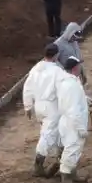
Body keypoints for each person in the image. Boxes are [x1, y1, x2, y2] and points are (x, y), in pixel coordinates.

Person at [21, 44, 64, 176]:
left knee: (55, 132)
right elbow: (65, 88)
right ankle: (38, 164)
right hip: (51, 106)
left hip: (39, 106)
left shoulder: (35, 69)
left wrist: (28, 106)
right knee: (48, 134)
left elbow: (27, 88)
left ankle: (60, 159)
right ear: (56, 55)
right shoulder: (57, 71)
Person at [54, 56, 92, 183]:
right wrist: (80, 128)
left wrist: (86, 100)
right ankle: (66, 181)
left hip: (68, 121)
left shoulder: (69, 82)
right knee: (71, 149)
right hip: (72, 123)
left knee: (73, 150)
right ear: (75, 68)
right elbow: (73, 109)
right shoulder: (71, 85)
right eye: (79, 66)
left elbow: (74, 99)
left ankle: (73, 175)